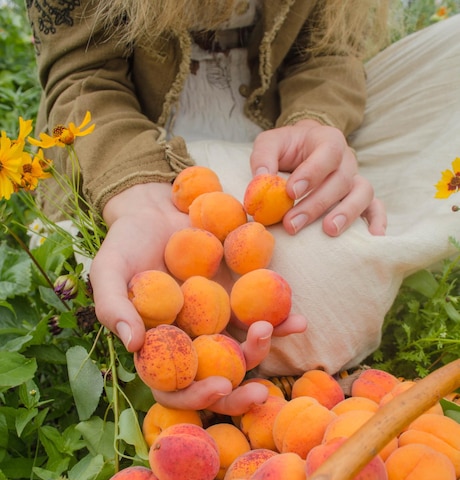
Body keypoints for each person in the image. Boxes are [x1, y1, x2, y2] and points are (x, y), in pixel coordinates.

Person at [27, 0, 460, 416]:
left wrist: (315, 122)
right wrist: (137, 196)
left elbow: (329, 51)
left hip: (271, 149)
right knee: (324, 299)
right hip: (144, 152)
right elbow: (80, 75)